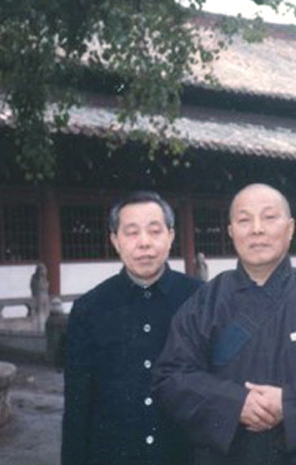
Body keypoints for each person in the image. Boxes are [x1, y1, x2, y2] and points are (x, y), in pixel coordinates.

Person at [153, 183, 296, 465]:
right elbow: (170, 379)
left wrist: (290, 404)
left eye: (269, 217)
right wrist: (234, 404)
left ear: (290, 228)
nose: (256, 229)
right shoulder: (203, 303)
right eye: (244, 220)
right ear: (231, 232)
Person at [62, 191, 201, 465]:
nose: (144, 243)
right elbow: (78, 406)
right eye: (132, 232)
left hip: (184, 455)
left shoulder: (201, 300)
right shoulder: (89, 309)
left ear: (171, 236)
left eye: (154, 231)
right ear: (115, 240)